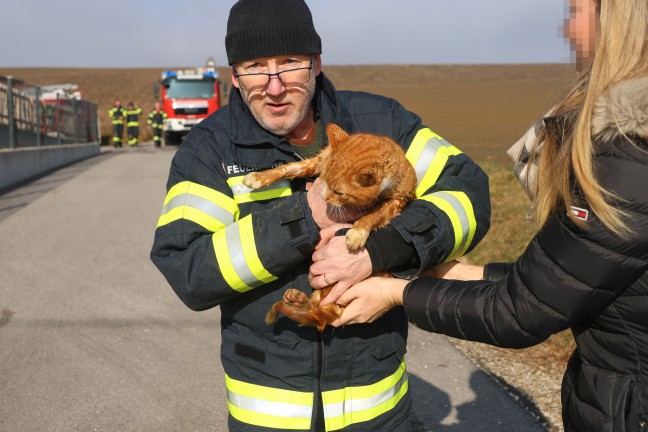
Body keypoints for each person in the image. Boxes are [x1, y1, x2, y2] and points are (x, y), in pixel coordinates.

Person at [150, 1, 491, 431]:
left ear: (316, 64)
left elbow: (468, 193)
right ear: (234, 77)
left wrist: (383, 248)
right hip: (266, 414)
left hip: (378, 409)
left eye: (289, 63)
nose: (273, 87)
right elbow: (186, 270)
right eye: (255, 67)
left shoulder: (381, 121)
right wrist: (305, 217)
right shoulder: (209, 150)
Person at [331, 0, 648, 431]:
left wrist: (395, 294)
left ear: (613, 23)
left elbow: (522, 313)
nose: (568, 30)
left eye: (576, 13)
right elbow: (568, 280)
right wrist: (466, 274)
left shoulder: (628, 160)